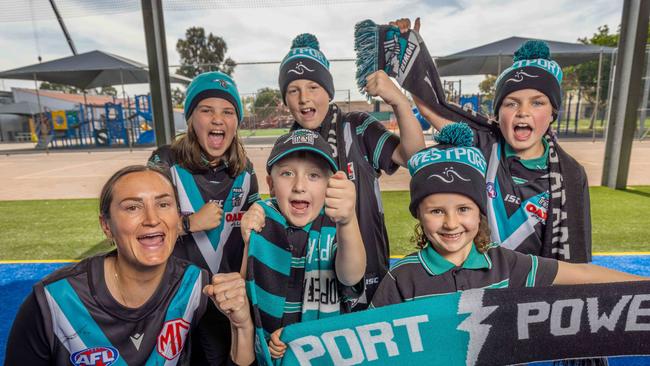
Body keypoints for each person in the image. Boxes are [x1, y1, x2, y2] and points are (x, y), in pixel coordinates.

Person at [370, 124, 645, 309]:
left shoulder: (504, 264)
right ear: (418, 213)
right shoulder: (401, 278)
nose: (451, 223)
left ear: (480, 211)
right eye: (436, 211)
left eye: (463, 209)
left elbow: (582, 273)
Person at [244, 33, 425, 308]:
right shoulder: (289, 146)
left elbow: (413, 156)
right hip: (315, 285)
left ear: (328, 91)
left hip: (368, 274)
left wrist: (399, 102)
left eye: (313, 87)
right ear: (285, 98)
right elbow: (285, 201)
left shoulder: (356, 126)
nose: (304, 98)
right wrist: (261, 210)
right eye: (293, 90)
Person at [5, 165, 211, 365]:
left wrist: (242, 326)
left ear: (178, 218)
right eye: (133, 207)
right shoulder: (54, 300)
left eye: (163, 204)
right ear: (106, 226)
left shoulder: (196, 286)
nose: (152, 219)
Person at [148, 71, 259, 365]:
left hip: (224, 301)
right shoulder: (165, 161)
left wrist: (261, 216)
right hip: (173, 300)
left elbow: (256, 230)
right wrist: (188, 224)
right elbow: (140, 226)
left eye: (228, 112)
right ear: (190, 119)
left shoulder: (245, 170)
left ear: (237, 122)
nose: (218, 119)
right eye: (206, 110)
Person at [238, 129, 367, 362]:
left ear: (330, 184)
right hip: (269, 353)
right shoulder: (261, 220)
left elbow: (351, 276)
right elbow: (246, 293)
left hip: (326, 354)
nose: (299, 185)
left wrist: (348, 221)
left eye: (314, 175)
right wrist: (249, 237)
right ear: (271, 185)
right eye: (287, 173)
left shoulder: (335, 225)